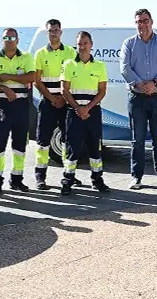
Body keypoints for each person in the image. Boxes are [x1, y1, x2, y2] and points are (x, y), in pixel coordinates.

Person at [119, 8, 157, 189]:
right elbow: (125, 68)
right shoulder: (129, 44)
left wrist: (155, 83)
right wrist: (140, 84)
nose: (142, 24)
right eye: (138, 22)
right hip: (137, 98)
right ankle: (136, 177)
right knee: (138, 139)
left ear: (152, 22)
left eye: (145, 20)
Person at [59, 31, 110, 195]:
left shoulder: (100, 66)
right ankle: (67, 180)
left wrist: (87, 108)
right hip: (74, 112)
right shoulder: (68, 64)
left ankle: (97, 180)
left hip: (92, 112)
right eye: (80, 44)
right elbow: (64, 90)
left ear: (91, 44)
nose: (82, 47)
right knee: (72, 148)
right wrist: (77, 108)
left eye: (85, 43)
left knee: (95, 147)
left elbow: (102, 91)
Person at [0, 28, 36, 194]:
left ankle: (16, 179)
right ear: (2, 40)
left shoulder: (26, 57)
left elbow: (31, 77)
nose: (9, 40)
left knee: (20, 145)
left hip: (21, 104)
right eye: (6, 37)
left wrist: (9, 76)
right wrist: (4, 89)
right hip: (1, 104)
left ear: (17, 40)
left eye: (12, 37)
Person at [33, 19, 78, 190]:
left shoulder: (70, 53)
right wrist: (52, 99)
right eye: (51, 30)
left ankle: (68, 176)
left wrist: (64, 99)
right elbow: (37, 81)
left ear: (61, 32)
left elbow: (74, 78)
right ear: (47, 33)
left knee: (68, 140)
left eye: (56, 30)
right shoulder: (40, 54)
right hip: (48, 102)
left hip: (65, 102)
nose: (54, 33)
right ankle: (40, 177)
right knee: (43, 141)